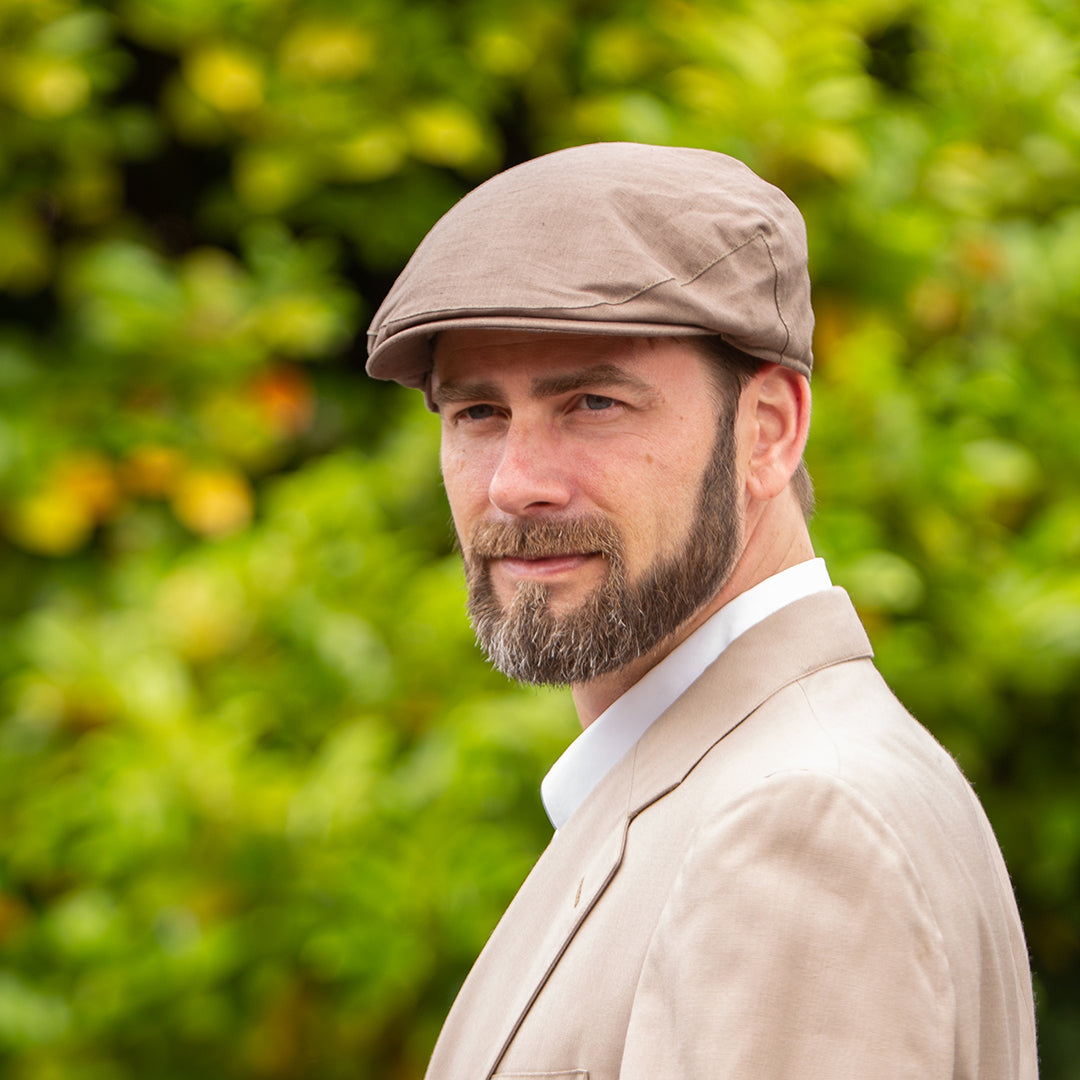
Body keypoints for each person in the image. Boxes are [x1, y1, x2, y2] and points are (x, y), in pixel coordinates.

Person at [366, 143, 1037, 1080]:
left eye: (593, 403)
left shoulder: (798, 825)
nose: (517, 485)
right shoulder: (717, 789)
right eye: (477, 413)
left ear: (768, 431)